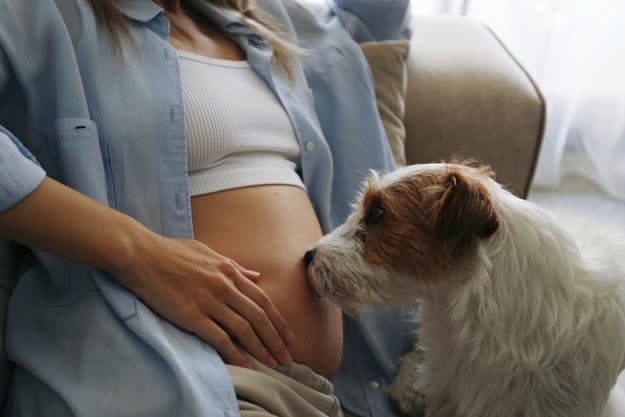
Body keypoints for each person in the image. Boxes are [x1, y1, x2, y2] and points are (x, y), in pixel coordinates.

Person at [0, 0, 413, 416]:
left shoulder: (277, 23)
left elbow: (374, 15)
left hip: (331, 397)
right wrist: (138, 252)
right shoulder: (38, 14)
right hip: (165, 378)